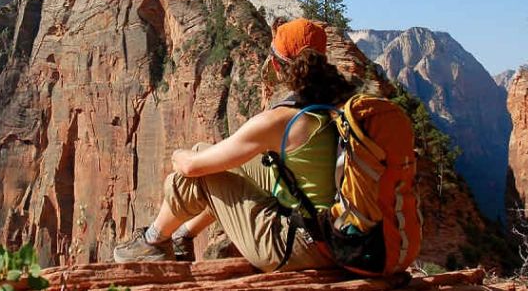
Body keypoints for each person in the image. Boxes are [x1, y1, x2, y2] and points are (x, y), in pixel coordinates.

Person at [113, 18, 359, 272]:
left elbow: (190, 168)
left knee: (194, 168)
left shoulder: (280, 121)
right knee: (212, 157)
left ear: (276, 64)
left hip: (300, 247)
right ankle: (180, 237)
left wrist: (177, 154)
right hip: (336, 236)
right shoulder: (335, 106)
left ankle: (153, 242)